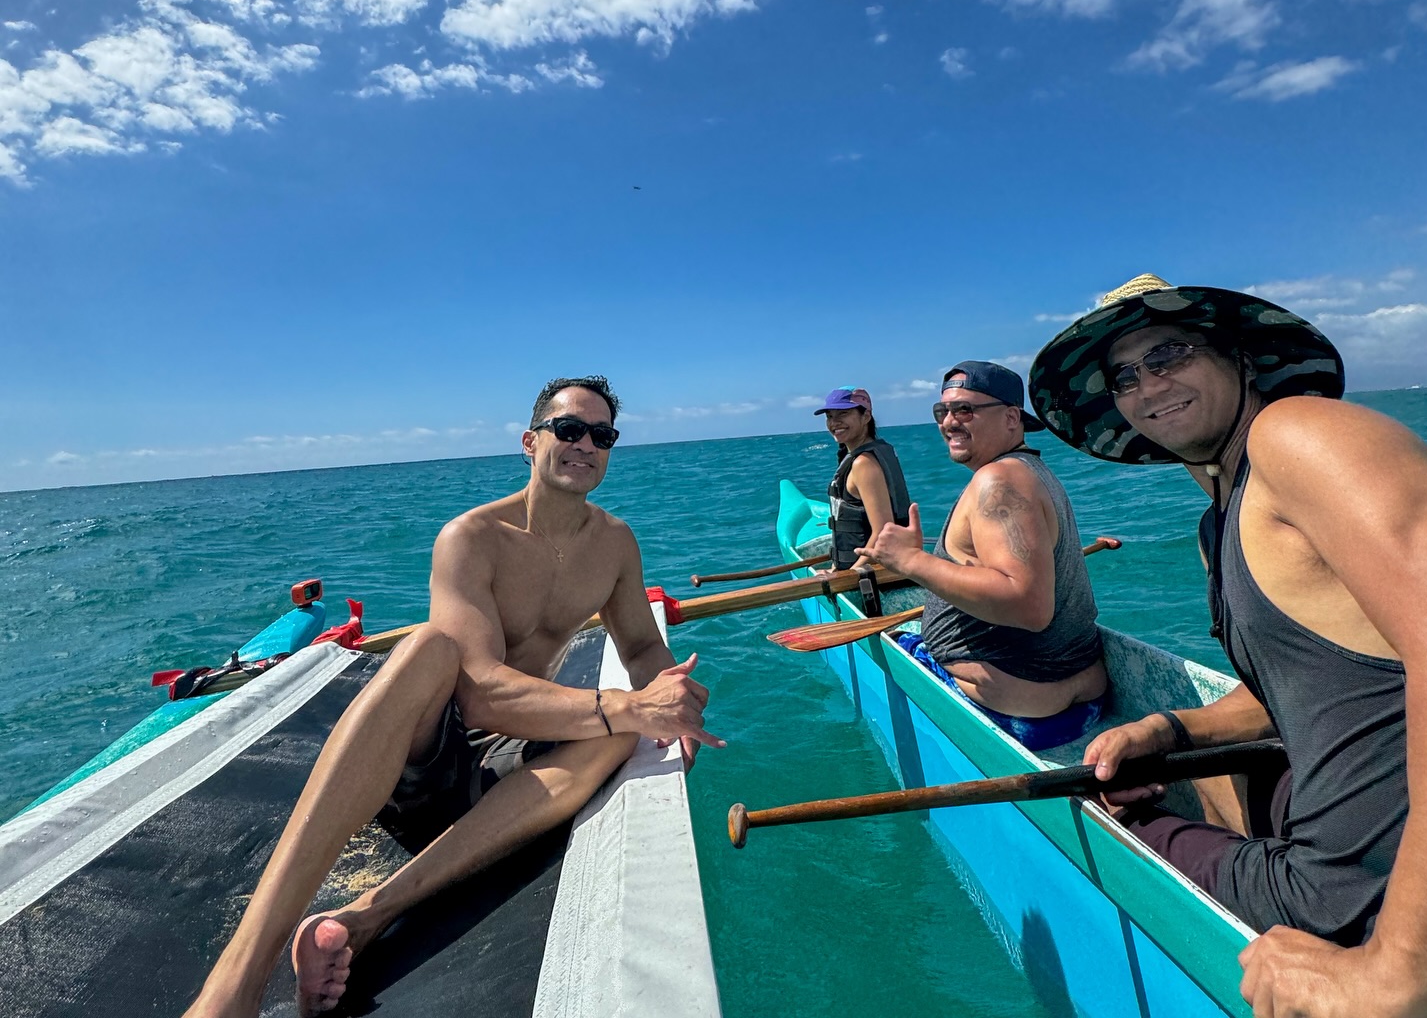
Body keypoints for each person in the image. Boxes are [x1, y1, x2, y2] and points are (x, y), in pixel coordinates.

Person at [183, 376, 723, 1018]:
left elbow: (638, 646)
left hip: (503, 786)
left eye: (602, 435)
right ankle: (233, 987)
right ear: (531, 441)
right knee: (429, 647)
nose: (586, 445)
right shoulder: (471, 538)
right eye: (569, 429)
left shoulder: (613, 544)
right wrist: (624, 705)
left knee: (622, 734)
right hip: (426, 772)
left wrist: (670, 697)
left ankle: (365, 916)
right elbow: (482, 696)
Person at [1029, 274, 1427, 1018]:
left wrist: (1399, 969)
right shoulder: (1222, 520)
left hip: (1361, 898)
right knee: (1192, 779)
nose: (1148, 385)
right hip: (1340, 836)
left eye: (1169, 353)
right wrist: (1172, 728)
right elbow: (1298, 686)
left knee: (1120, 827)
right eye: (1124, 375)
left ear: (1239, 356)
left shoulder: (1301, 435)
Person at [856, 361, 1108, 751]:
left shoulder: (998, 481)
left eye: (965, 410)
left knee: (897, 647)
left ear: (1011, 417)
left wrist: (910, 562)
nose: (949, 422)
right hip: (1084, 692)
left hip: (1023, 707)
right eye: (942, 411)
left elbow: (1029, 606)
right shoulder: (1032, 471)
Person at [813, 385, 912, 572]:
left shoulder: (863, 464)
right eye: (829, 416)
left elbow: (883, 531)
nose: (834, 423)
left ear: (866, 417)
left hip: (870, 576)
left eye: (843, 414)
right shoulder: (872, 453)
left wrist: (848, 576)